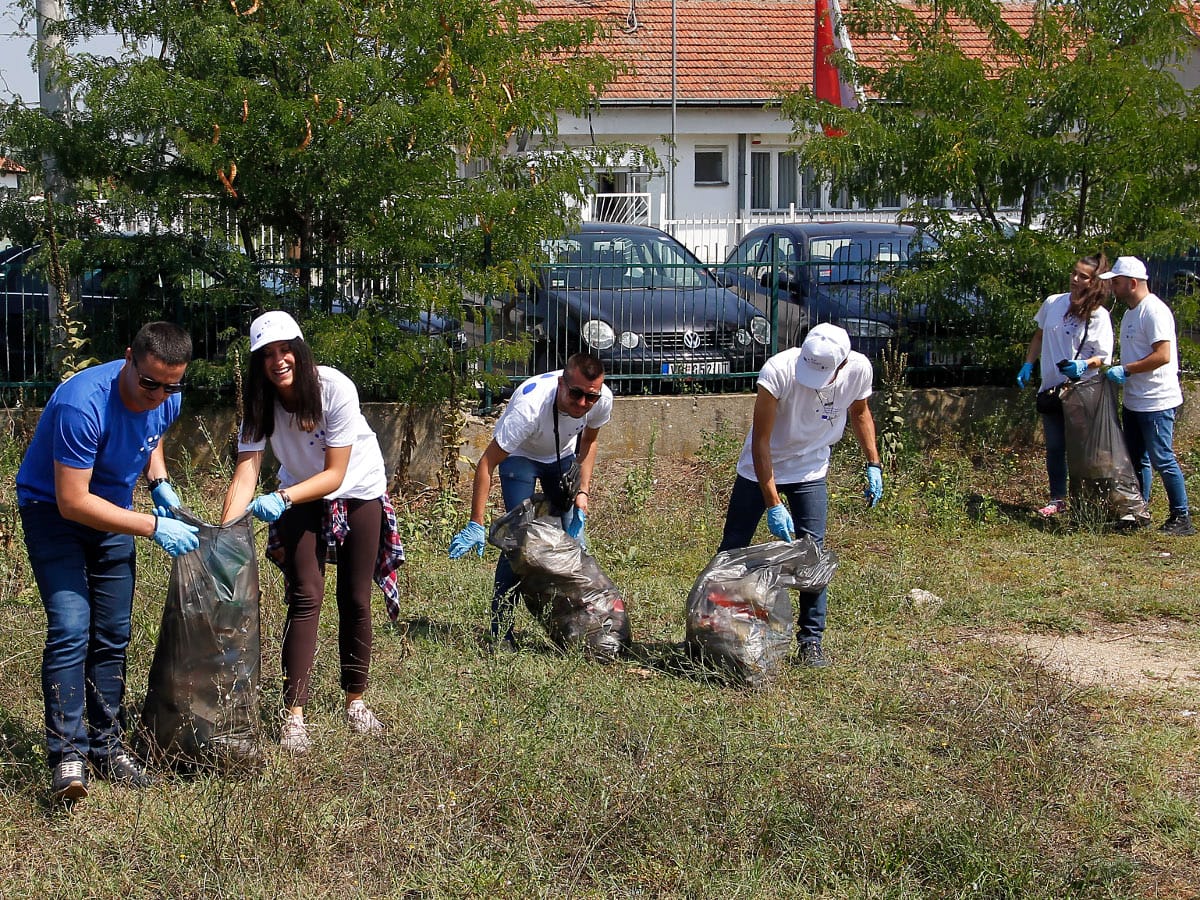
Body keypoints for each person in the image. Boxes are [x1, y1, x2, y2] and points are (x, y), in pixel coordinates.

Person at [16, 322, 199, 802]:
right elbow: (73, 502)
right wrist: (155, 526)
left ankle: (107, 745)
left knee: (113, 632)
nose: (159, 395)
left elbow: (152, 429)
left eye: (170, 385)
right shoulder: (83, 404)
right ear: (128, 359)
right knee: (72, 626)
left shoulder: (166, 397)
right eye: (149, 383)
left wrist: (157, 479)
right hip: (54, 512)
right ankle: (67, 756)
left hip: (113, 511)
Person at [220, 311, 405, 755]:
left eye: (285, 350)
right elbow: (246, 473)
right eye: (267, 355)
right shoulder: (260, 401)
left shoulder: (334, 388)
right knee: (305, 595)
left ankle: (356, 701)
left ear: (300, 351)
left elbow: (336, 473)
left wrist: (281, 499)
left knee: (355, 597)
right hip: (297, 493)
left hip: (357, 488)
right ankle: (294, 716)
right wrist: (222, 535)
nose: (277, 360)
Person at [717, 323, 882, 668]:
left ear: (842, 364)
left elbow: (860, 412)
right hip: (760, 468)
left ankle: (811, 643)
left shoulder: (859, 368)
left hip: (810, 470)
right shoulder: (777, 371)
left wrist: (873, 463)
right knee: (732, 549)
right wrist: (773, 502)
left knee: (812, 554)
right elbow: (761, 442)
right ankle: (715, 629)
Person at [448, 353, 613, 650]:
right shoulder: (529, 408)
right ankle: (501, 632)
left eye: (590, 397)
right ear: (562, 383)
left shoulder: (601, 399)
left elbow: (588, 442)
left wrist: (582, 493)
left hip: (561, 458)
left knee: (571, 545)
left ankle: (573, 629)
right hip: (520, 457)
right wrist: (476, 522)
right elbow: (486, 464)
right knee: (519, 543)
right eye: (575, 394)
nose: (582, 404)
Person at [1101, 256, 1194, 535]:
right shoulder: (1130, 312)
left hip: (1156, 401)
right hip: (1135, 400)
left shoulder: (1153, 311)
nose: (1113, 288)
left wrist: (1126, 370)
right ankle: (1137, 512)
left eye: (1116, 283)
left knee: (1162, 458)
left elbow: (1163, 355)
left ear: (1132, 283)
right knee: (1136, 458)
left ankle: (1181, 517)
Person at [1016, 254, 1114, 517]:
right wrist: (1028, 363)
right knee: (1055, 447)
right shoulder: (1053, 303)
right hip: (1051, 389)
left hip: (1082, 391)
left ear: (1094, 282)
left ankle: (1087, 501)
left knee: (1082, 450)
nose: (1075, 279)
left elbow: (1104, 356)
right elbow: (1039, 335)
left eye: (1082, 276)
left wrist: (1083, 366)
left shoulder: (1099, 315)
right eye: (1074, 273)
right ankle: (1057, 498)